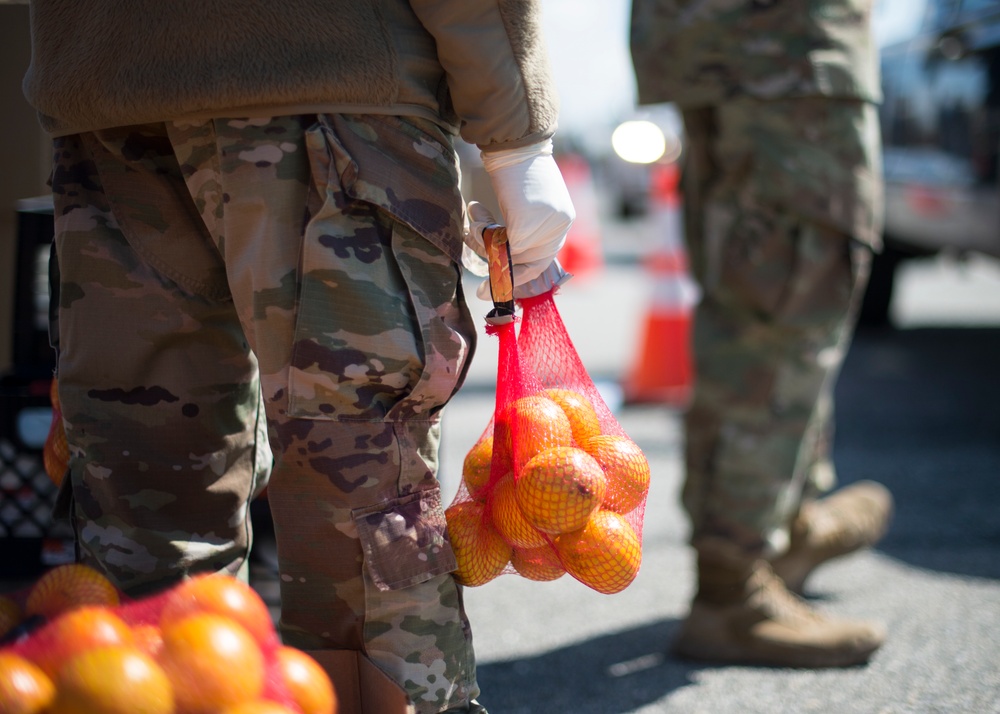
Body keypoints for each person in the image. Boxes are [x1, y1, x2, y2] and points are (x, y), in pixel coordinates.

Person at [23, 2, 574, 711]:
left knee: (144, 491)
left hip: (105, 97)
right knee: (359, 487)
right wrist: (514, 134)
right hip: (322, 84)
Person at [630, 0, 894, 667]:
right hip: (784, 48)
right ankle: (732, 590)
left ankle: (785, 525)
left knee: (766, 298)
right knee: (787, 304)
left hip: (736, 46)